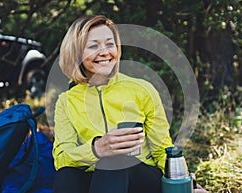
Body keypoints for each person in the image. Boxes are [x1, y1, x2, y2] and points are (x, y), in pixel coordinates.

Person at [52, 15, 207, 193]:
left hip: (140, 179)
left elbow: (162, 149)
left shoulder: (141, 89)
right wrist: (96, 149)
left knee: (114, 161)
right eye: (94, 46)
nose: (104, 52)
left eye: (110, 44)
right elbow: (62, 158)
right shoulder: (66, 101)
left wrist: (187, 184)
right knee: (66, 174)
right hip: (95, 179)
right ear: (76, 53)